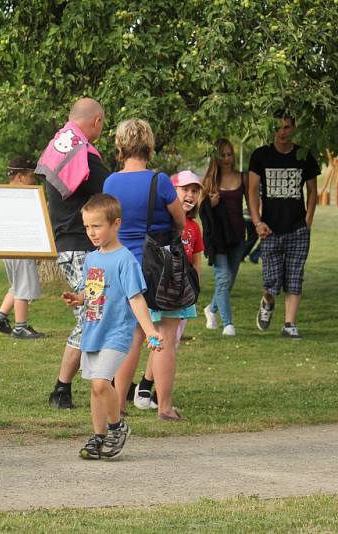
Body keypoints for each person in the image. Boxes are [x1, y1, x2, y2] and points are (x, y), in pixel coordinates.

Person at [62, 194, 162, 460]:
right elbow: (92, 292)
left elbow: (136, 298)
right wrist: (79, 298)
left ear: (115, 224)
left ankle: (118, 427)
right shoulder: (92, 259)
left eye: (97, 226)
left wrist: (150, 330)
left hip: (116, 333)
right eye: (87, 227)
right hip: (93, 330)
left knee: (100, 382)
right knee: (95, 389)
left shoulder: (125, 260)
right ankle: (98, 436)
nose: (91, 232)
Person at [102, 119, 187, 421]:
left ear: (121, 145)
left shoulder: (110, 183)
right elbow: (180, 221)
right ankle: (164, 407)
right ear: (149, 145)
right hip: (160, 266)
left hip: (125, 265)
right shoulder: (159, 181)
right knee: (163, 332)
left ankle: (120, 404)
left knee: (131, 336)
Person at [42, 97, 109, 409]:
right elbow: (108, 196)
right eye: (103, 123)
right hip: (82, 249)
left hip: (66, 246)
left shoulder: (60, 146)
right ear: (96, 121)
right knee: (90, 315)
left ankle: (108, 379)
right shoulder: (86, 154)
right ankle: (61, 388)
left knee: (94, 313)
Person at [134, 170, 203, 411]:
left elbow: (196, 262)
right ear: (172, 193)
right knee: (155, 337)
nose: (190, 195)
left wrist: (195, 289)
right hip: (159, 288)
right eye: (185, 189)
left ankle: (149, 389)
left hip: (181, 293)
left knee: (169, 342)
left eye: (195, 191)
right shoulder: (164, 224)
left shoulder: (194, 227)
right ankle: (144, 388)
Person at [248, 112, 319, 339]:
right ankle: (268, 303)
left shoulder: (304, 155)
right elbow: (251, 190)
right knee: (271, 283)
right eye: (278, 128)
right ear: (272, 129)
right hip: (269, 229)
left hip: (297, 228)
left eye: (287, 127)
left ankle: (289, 325)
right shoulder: (261, 156)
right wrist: (257, 221)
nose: (282, 132)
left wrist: (307, 222)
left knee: (295, 277)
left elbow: (312, 192)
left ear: (293, 128)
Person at [0, 156, 46, 339]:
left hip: (7, 248)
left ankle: (0, 317)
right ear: (21, 177)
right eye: (32, 177)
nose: (34, 181)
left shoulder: (4, 195)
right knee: (23, 286)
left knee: (17, 284)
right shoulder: (24, 196)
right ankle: (21, 326)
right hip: (21, 247)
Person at [199, 139, 250, 336]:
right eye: (223, 155)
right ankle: (228, 324)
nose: (227, 159)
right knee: (223, 278)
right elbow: (200, 211)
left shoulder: (242, 177)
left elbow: (252, 201)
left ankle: (211, 309)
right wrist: (210, 204)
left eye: (230, 154)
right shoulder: (210, 181)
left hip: (237, 236)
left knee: (229, 280)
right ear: (217, 158)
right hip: (218, 240)